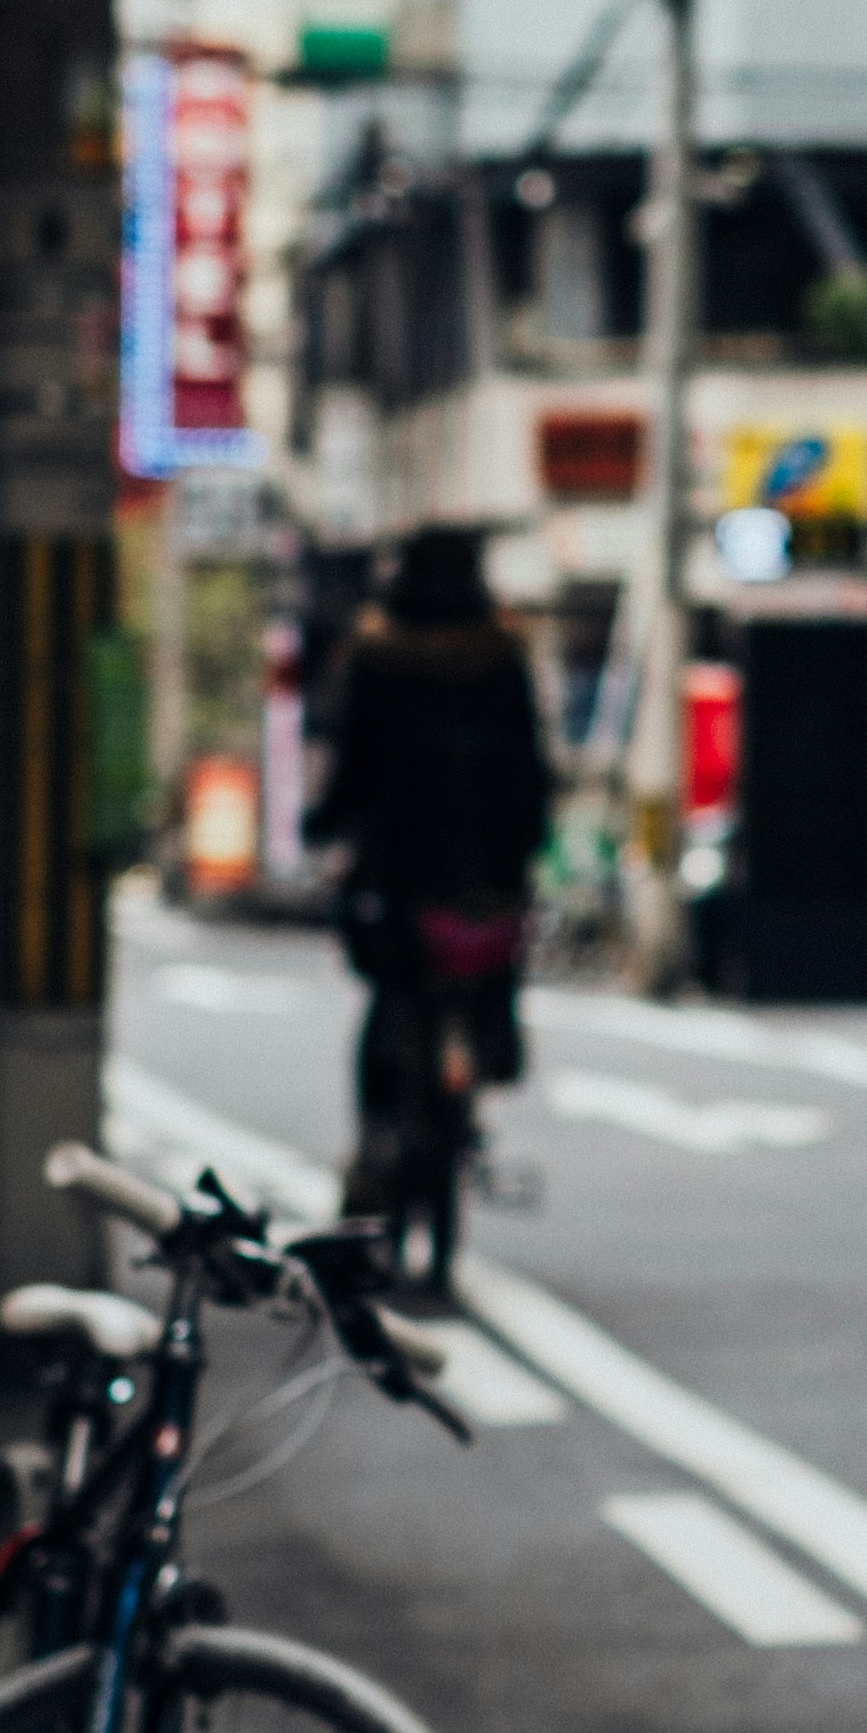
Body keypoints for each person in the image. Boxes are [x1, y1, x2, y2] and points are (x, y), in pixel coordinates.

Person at [306, 525, 548, 1270]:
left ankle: (378, 1138)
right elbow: (533, 768)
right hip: (486, 877)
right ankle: (480, 1061)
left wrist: (323, 826)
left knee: (388, 1002)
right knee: (485, 980)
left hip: (397, 874)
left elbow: (351, 767)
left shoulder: (376, 655)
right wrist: (521, 851)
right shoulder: (501, 655)